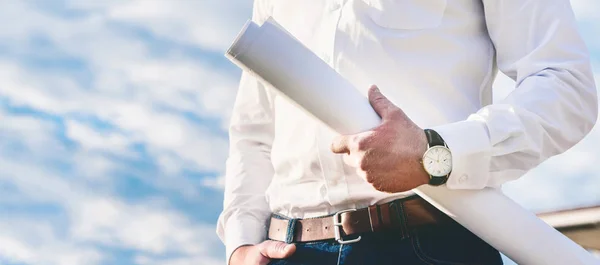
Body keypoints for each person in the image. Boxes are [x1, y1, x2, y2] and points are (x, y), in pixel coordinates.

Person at [217, 0, 598, 264]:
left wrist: (433, 153)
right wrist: (241, 243)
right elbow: (255, 129)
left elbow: (566, 86)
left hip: (428, 246)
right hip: (287, 251)